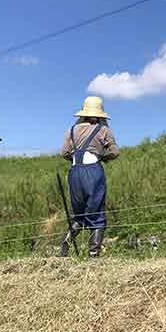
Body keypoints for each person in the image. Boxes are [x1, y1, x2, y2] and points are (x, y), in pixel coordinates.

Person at [59, 96, 120, 258]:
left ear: (83, 114)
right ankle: (93, 257)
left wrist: (75, 160)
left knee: (79, 214)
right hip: (93, 172)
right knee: (97, 214)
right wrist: (104, 158)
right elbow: (115, 152)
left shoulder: (71, 130)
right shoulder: (104, 130)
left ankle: (64, 245)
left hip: (74, 173)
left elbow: (64, 153)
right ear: (100, 115)